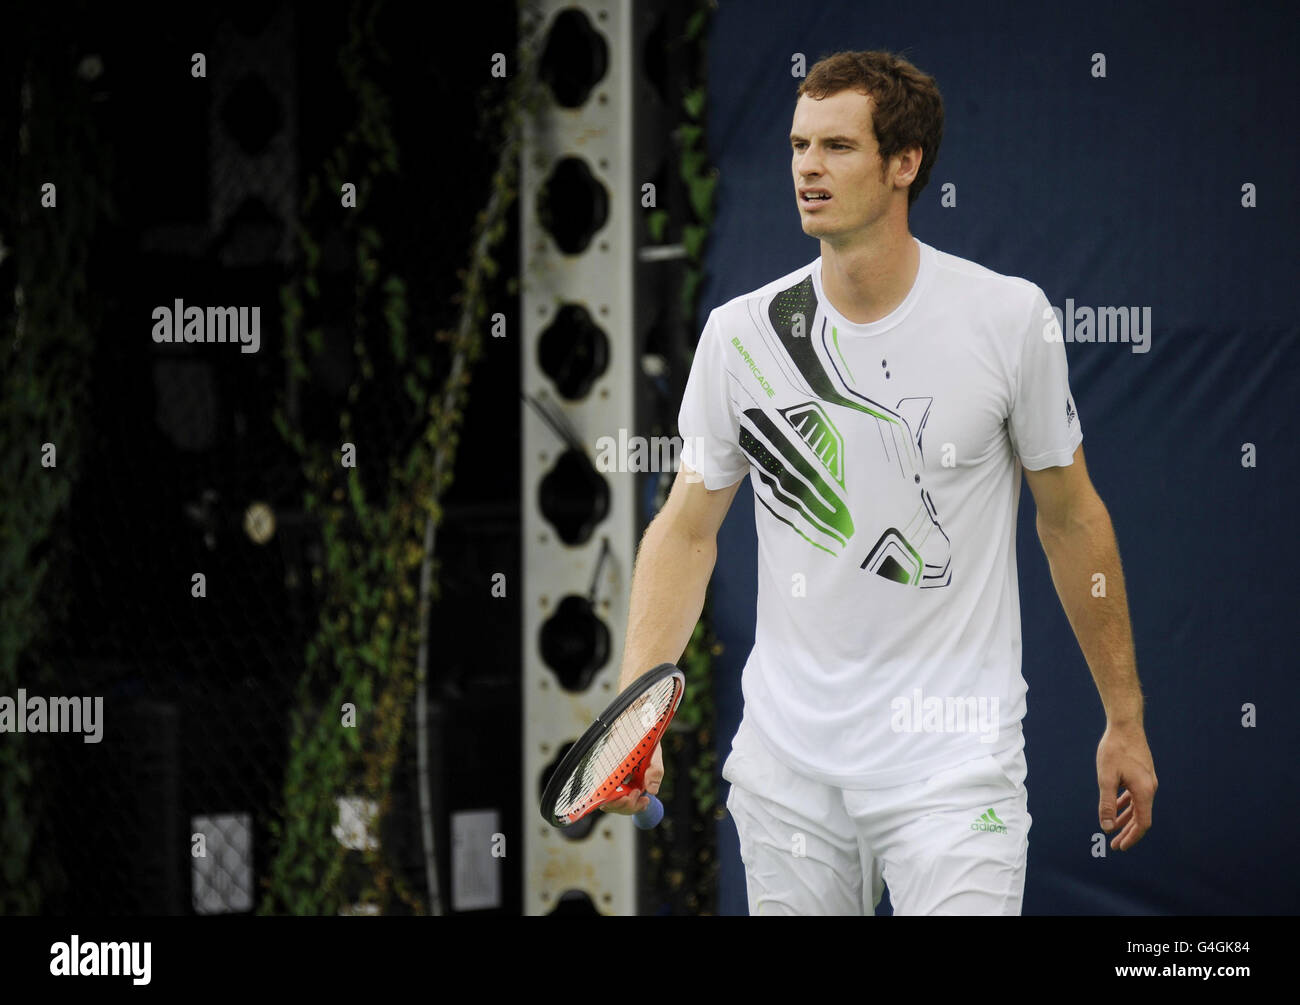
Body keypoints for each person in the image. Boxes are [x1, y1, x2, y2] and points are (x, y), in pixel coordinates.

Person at [601, 49, 1156, 916]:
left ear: (906, 164)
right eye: (796, 145)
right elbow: (686, 528)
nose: (808, 168)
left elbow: (1070, 517)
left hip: (954, 771)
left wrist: (1123, 715)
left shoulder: (1011, 320)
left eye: (836, 146)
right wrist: (638, 710)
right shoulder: (738, 335)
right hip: (789, 781)